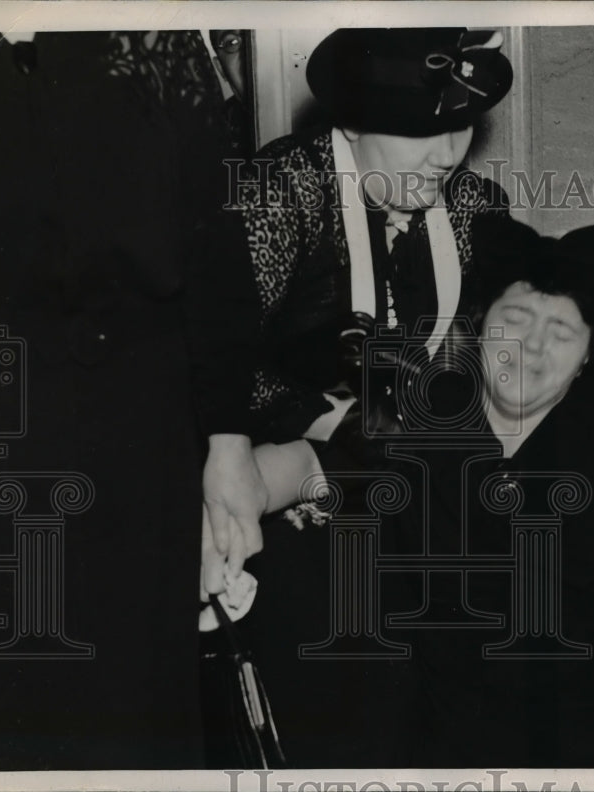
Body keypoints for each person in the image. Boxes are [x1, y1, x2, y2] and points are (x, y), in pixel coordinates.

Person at [246, 215, 594, 768]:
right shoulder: (423, 416)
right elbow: (301, 465)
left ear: (591, 352)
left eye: (561, 332)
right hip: (461, 735)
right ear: (477, 327)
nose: (532, 348)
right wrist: (227, 507)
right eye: (515, 320)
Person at [198, 27, 514, 768]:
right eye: (420, 132)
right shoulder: (281, 191)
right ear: (350, 127)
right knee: (337, 700)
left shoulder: (476, 206)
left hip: (401, 479)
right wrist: (332, 420)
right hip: (285, 479)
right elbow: (215, 358)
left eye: (459, 127)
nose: (447, 153)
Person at [0, 30, 257, 769]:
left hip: (140, 424)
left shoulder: (154, 44)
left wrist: (228, 441)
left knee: (130, 698)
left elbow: (216, 251)